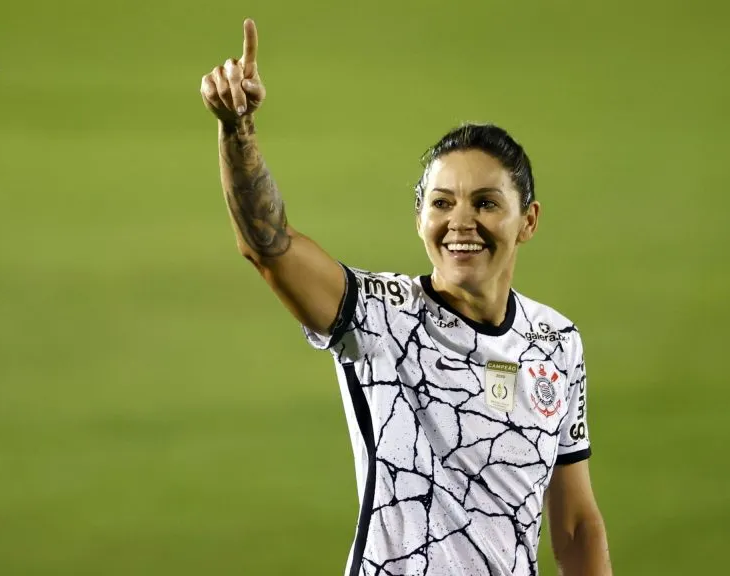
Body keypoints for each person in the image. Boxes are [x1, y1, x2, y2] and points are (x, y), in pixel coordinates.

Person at [199, 18, 613, 576]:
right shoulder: (379, 316)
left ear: (527, 221)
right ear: (419, 217)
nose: (460, 222)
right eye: (441, 203)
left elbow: (574, 527)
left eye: (486, 203)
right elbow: (269, 245)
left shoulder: (556, 341)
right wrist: (237, 129)